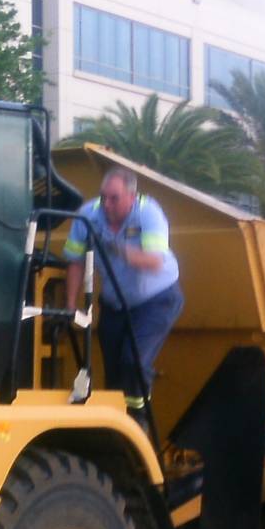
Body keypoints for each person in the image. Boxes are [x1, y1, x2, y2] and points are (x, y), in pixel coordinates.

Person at [62, 165, 184, 411]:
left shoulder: (148, 213)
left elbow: (154, 261)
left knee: (133, 361)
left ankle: (138, 417)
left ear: (131, 196)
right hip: (114, 303)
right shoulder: (88, 215)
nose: (107, 204)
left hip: (156, 300)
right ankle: (116, 424)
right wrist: (70, 306)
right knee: (114, 371)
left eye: (114, 198)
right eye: (103, 196)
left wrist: (117, 248)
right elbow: (75, 262)